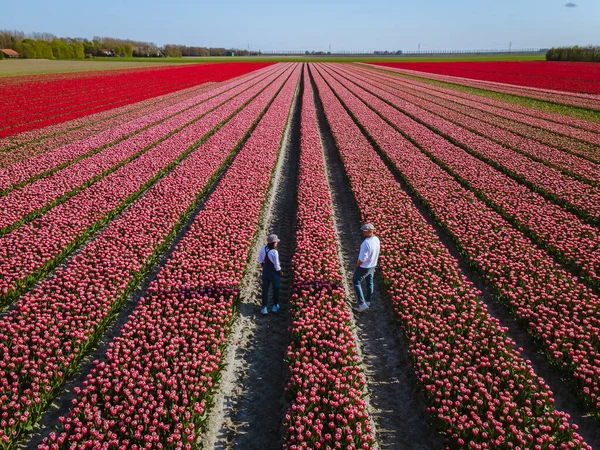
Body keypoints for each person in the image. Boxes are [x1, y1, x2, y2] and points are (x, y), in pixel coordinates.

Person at [353, 223, 380, 312]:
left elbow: (362, 259)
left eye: (364, 231)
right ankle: (368, 301)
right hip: (373, 265)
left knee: (356, 281)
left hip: (364, 267)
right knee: (370, 282)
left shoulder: (365, 243)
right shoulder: (376, 239)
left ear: (369, 231)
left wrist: (357, 265)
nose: (362, 232)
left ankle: (362, 304)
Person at [258, 234, 282, 315]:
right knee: (276, 289)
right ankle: (275, 306)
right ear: (274, 243)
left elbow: (261, 261)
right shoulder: (274, 252)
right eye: (276, 242)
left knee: (265, 290)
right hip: (273, 273)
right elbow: (277, 266)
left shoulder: (263, 249)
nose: (277, 243)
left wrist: (265, 268)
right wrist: (280, 272)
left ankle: (264, 308)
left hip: (265, 272)